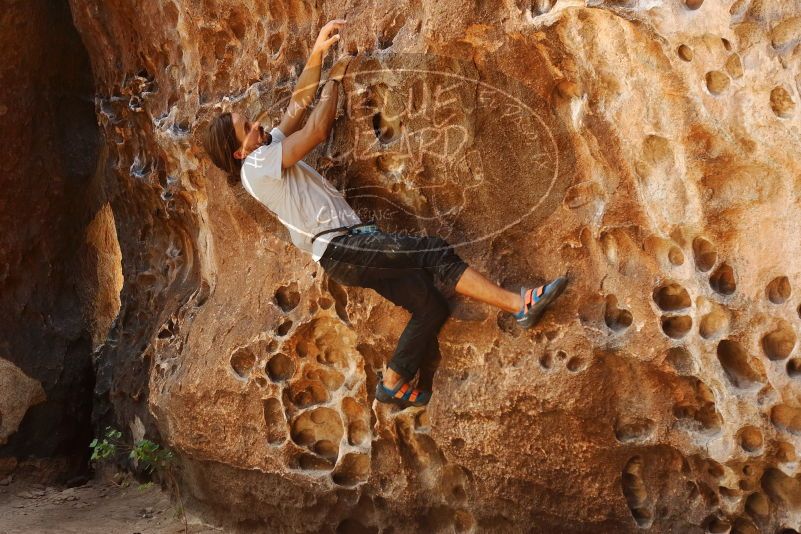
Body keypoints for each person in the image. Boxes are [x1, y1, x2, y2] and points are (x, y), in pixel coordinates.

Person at [202, 19, 568, 408]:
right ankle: (519, 305)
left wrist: (318, 53)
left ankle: (393, 381)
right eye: (248, 127)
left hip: (347, 250)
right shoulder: (255, 167)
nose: (257, 124)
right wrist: (334, 81)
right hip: (342, 248)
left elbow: (295, 107)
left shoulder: (262, 153)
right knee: (434, 252)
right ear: (239, 152)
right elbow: (314, 131)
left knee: (431, 305)